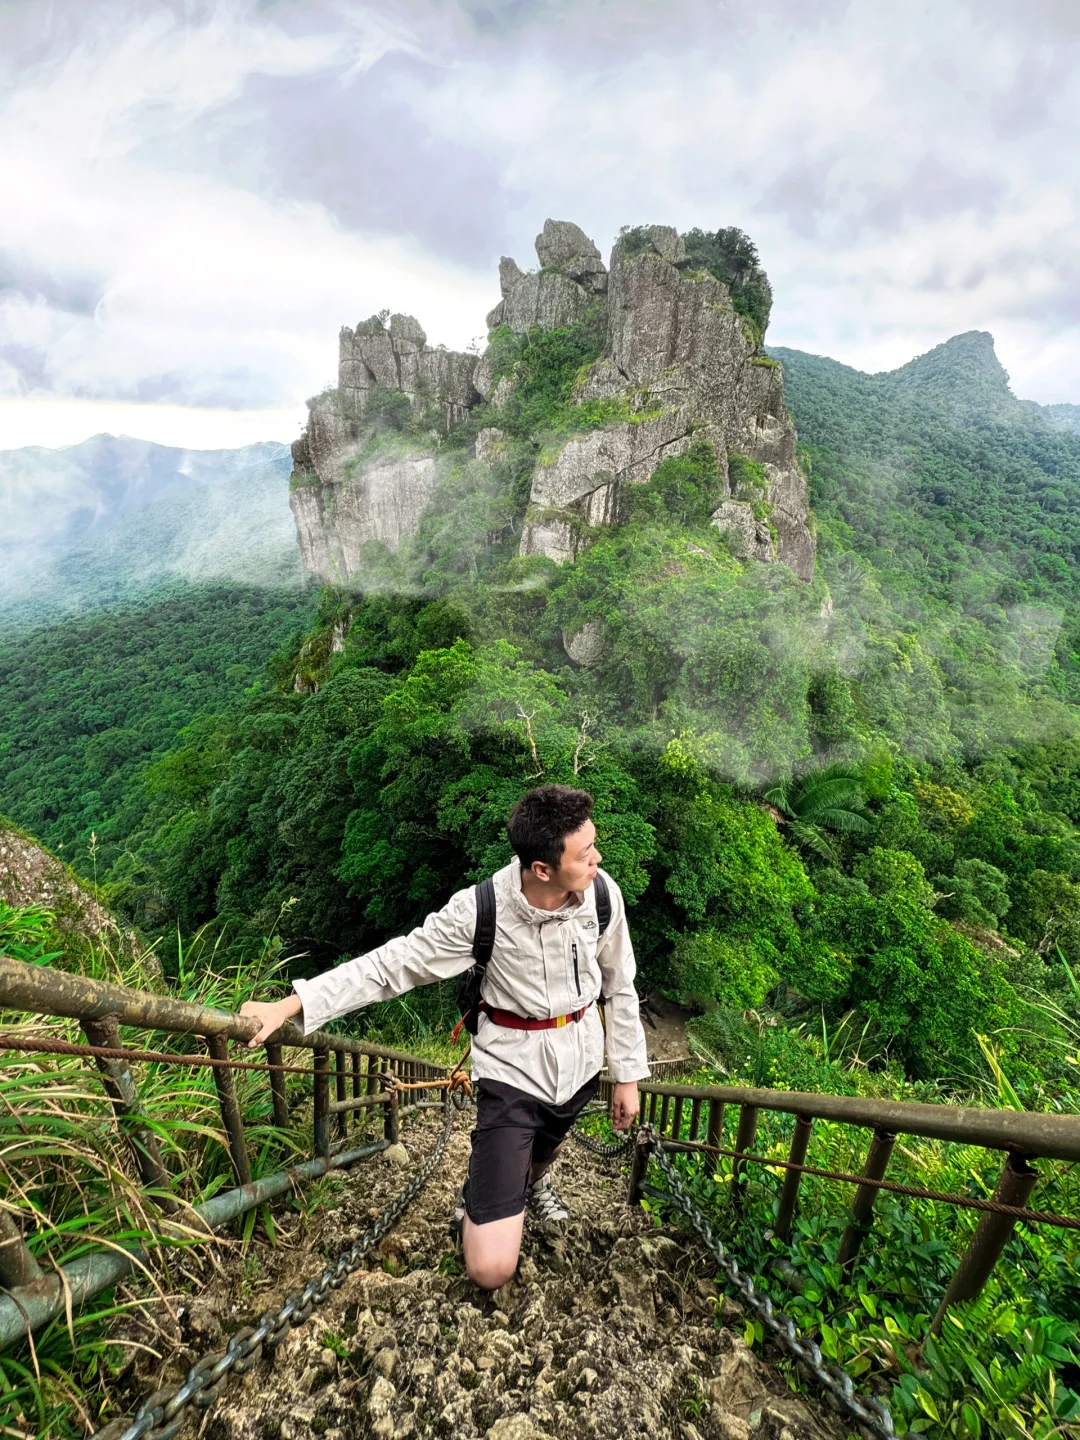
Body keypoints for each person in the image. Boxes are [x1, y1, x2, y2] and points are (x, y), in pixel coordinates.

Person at [239, 784, 649, 1291]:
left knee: (547, 1148)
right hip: (513, 1070)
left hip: (582, 1059)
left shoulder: (602, 895)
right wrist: (293, 1004)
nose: (598, 859)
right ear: (542, 868)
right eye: (585, 853)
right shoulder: (481, 910)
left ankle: (527, 1181)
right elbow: (394, 964)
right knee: (490, 1269)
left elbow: (620, 983)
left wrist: (627, 1075)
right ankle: (486, 1183)